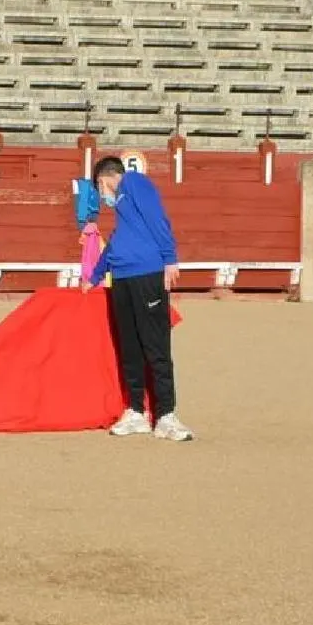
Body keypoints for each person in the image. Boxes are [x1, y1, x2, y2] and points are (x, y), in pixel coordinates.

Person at [81, 157, 193, 442]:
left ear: (105, 178)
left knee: (155, 345)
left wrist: (170, 259)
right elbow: (117, 242)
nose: (101, 194)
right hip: (122, 278)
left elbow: (158, 218)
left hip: (147, 274)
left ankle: (166, 413)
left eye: (99, 187)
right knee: (129, 347)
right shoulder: (122, 209)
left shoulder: (134, 182)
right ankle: (136, 411)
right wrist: (94, 276)